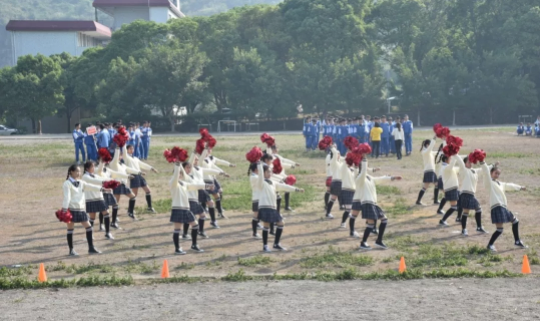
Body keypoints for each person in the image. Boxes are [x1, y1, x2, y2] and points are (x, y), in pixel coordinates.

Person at [353, 158, 402, 250]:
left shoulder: (369, 177)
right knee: (370, 225)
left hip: (373, 203)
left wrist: (392, 177)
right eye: (365, 165)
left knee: (384, 220)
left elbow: (379, 179)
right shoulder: (359, 178)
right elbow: (363, 171)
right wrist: (363, 158)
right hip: (367, 203)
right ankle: (363, 242)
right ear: (361, 166)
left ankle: (378, 241)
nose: (367, 166)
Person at [62, 164, 110, 255]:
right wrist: (64, 209)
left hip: (80, 209)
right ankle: (71, 250)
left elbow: (90, 186)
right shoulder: (67, 184)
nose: (79, 173)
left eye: (79, 171)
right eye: (77, 171)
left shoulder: (81, 182)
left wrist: (102, 189)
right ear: (71, 172)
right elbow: (67, 197)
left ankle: (91, 248)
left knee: (88, 227)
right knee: (70, 229)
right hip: (71, 209)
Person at [256, 162, 304, 252]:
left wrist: (296, 189)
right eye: (267, 172)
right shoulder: (261, 183)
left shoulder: (273, 183)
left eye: (270, 172)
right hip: (265, 207)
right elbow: (261, 176)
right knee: (266, 225)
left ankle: (276, 244)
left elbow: (284, 186)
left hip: (273, 207)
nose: (270, 174)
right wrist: (259, 166)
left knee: (281, 223)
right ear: (263, 173)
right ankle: (265, 246)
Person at [480, 161, 527, 252]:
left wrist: (520, 187)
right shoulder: (489, 182)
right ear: (491, 173)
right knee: (500, 229)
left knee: (515, 221)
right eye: (495, 173)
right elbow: (485, 171)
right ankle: (490, 245)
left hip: (502, 207)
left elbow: (509, 185)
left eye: (498, 174)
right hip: (497, 207)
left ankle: (517, 241)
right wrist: (483, 162)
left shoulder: (500, 184)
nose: (497, 175)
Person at [169, 162, 208, 254]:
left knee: (195, 225)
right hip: (177, 208)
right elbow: (175, 177)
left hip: (186, 208)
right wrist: (177, 166)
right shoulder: (172, 183)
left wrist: (206, 186)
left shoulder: (184, 184)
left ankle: (194, 245)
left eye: (181, 174)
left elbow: (194, 186)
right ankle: (177, 248)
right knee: (177, 230)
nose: (179, 175)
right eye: (178, 174)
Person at [454, 155, 489, 235]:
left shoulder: (474, 171)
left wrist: (487, 163)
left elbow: (484, 169)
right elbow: (460, 161)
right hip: (465, 193)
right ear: (465, 163)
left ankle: (479, 227)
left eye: (471, 162)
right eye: (469, 162)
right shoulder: (463, 170)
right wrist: (455, 154)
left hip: (472, 195)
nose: (470, 163)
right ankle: (464, 230)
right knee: (466, 212)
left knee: (478, 209)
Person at [82, 161, 115, 240]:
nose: (94, 168)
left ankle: (107, 233)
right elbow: (96, 181)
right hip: (91, 199)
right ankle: (89, 236)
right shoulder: (85, 177)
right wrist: (105, 182)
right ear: (87, 168)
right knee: (92, 218)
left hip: (99, 198)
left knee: (106, 213)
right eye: (92, 166)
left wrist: (113, 181)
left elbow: (103, 178)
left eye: (94, 166)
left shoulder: (95, 175)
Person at [123, 145, 159, 215]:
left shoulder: (135, 158)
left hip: (140, 175)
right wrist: (123, 141)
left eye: (132, 148)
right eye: (130, 148)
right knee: (134, 194)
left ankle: (149, 207)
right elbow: (124, 151)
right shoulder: (126, 158)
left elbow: (142, 164)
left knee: (148, 191)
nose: (132, 149)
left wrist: (151, 168)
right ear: (127, 150)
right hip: (134, 176)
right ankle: (130, 210)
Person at [415, 136, 439, 205]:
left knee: (436, 184)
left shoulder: (429, 152)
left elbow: (437, 153)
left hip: (431, 170)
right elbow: (431, 148)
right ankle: (419, 201)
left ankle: (435, 200)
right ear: (427, 145)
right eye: (430, 144)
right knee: (426, 186)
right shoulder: (425, 151)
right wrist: (434, 139)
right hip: (429, 170)